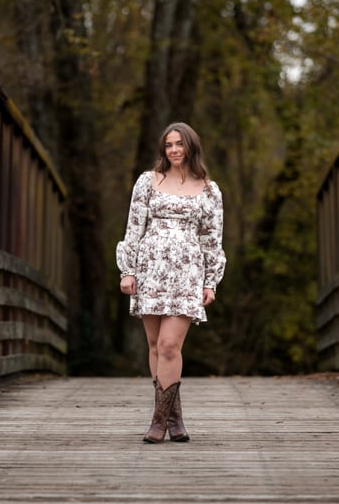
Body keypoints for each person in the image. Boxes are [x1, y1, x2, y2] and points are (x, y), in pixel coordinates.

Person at [116, 122, 226, 443]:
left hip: (187, 274)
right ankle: (175, 418)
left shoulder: (209, 190)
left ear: (191, 147)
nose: (174, 150)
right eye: (168, 145)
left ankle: (158, 421)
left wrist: (211, 281)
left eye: (180, 144)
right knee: (154, 346)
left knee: (169, 345)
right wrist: (128, 270)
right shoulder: (147, 182)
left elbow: (211, 239)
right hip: (150, 270)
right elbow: (134, 228)